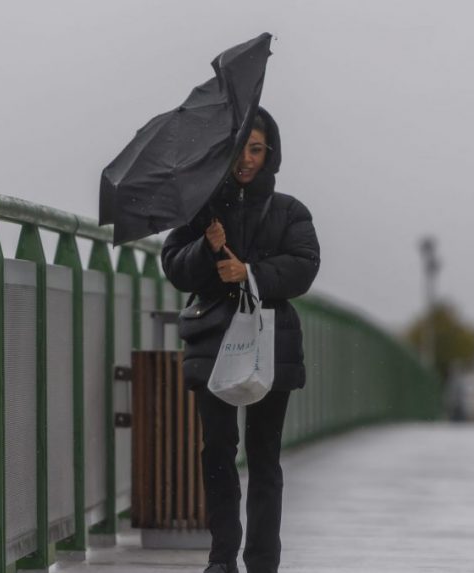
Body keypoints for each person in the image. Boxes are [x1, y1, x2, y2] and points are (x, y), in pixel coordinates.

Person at [161, 108, 321, 573]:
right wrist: (207, 248)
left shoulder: (291, 210)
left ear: (270, 153)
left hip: (271, 341)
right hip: (214, 339)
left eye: (256, 150)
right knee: (216, 450)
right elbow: (173, 265)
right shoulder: (204, 206)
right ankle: (221, 558)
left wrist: (249, 272)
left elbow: (304, 266)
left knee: (265, 456)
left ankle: (263, 562)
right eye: (240, 149)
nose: (246, 160)